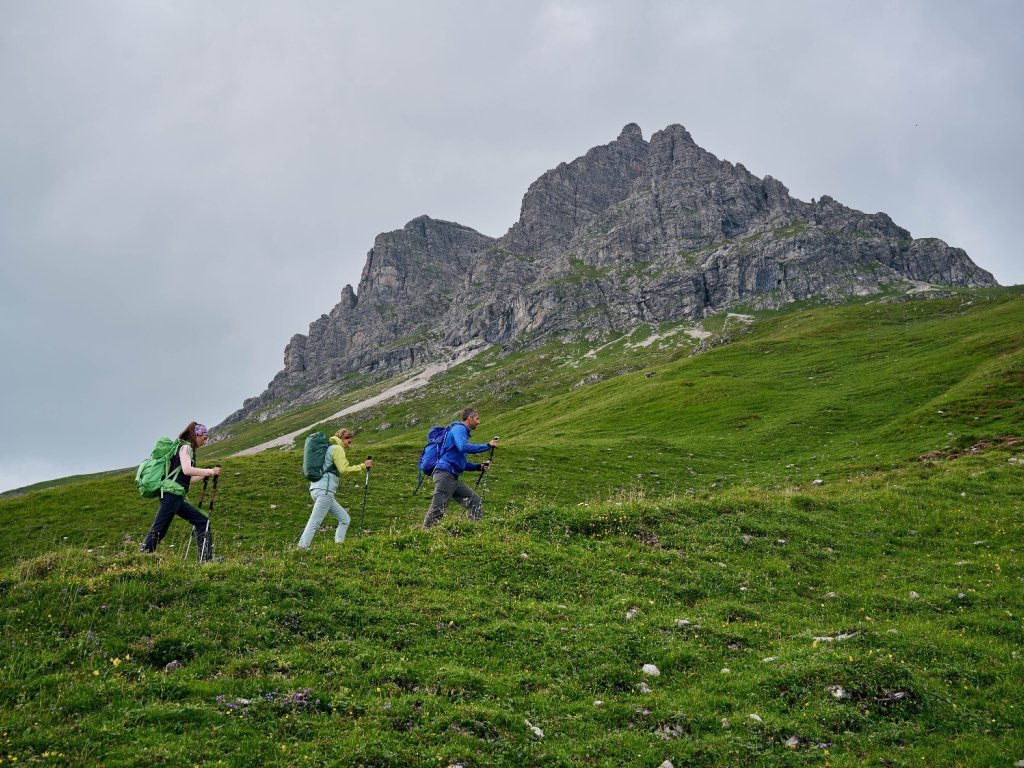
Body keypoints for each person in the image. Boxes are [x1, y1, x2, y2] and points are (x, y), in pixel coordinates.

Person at [140, 422, 222, 562]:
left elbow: (186, 478)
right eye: (204, 437)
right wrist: (209, 471)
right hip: (171, 495)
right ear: (196, 435)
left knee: (202, 521)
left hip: (175, 495)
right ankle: (141, 559)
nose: (205, 441)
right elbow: (187, 470)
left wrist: (206, 475)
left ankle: (205, 559)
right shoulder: (186, 447)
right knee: (160, 528)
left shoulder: (184, 448)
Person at [423, 408, 499, 528]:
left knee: (474, 500)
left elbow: (460, 463)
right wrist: (487, 446)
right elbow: (463, 447)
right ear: (469, 418)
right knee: (438, 508)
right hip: (445, 474)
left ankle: (475, 530)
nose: (479, 422)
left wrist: (478, 467)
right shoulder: (459, 429)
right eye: (477, 419)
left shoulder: (459, 431)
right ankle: (425, 535)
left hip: (451, 476)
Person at [298, 428, 372, 548]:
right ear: (343, 438)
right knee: (315, 521)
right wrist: (363, 466)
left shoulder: (328, 448)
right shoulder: (337, 448)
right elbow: (344, 470)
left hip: (316, 489)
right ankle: (302, 547)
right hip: (325, 492)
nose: (349, 446)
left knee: (345, 519)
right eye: (349, 442)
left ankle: (339, 546)